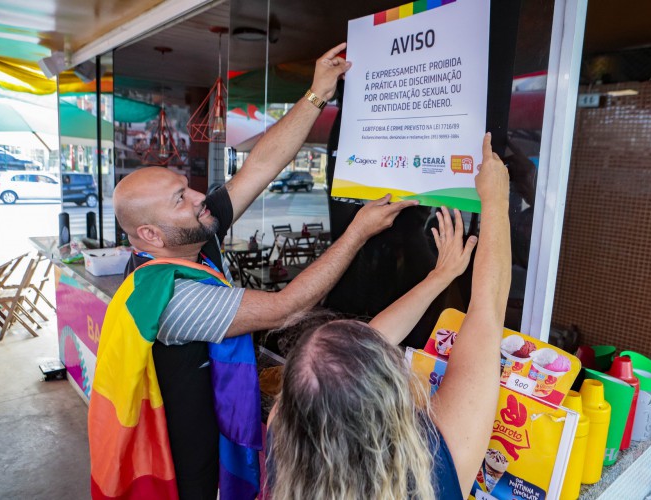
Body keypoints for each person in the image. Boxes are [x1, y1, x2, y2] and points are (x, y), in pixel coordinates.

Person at [88, 42, 419, 500]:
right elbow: (288, 308)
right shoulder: (173, 298)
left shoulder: (188, 238)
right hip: (187, 474)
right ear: (151, 235)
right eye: (180, 200)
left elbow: (261, 165)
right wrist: (359, 230)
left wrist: (318, 93)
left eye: (187, 187)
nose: (200, 198)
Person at [266, 133, 511, 499]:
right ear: (393, 395)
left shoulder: (281, 439)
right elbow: (487, 312)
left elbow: (352, 359)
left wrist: (439, 277)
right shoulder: (435, 470)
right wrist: (496, 201)